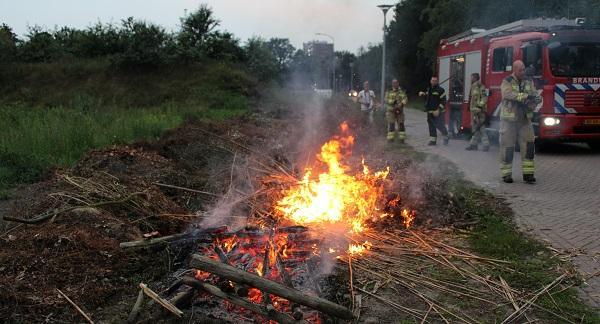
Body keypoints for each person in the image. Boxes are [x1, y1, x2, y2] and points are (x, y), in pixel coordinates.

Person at [499, 60, 541, 184]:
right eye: (520, 70)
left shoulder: (528, 81)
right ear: (514, 69)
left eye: (524, 69)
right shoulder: (507, 81)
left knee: (529, 146)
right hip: (509, 121)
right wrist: (525, 97)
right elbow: (508, 94)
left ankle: (528, 175)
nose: (523, 72)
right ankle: (506, 175)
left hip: (525, 119)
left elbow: (534, 94)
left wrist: (536, 99)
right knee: (508, 147)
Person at [419, 77, 449, 146]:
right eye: (432, 80)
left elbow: (443, 101)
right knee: (431, 126)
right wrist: (423, 94)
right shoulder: (429, 89)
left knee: (440, 125)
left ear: (437, 82)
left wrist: (438, 110)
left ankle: (446, 137)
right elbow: (428, 97)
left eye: (435, 81)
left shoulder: (441, 90)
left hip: (438, 112)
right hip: (430, 111)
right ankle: (433, 141)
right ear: (430, 81)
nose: (434, 82)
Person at [466, 73, 490, 151]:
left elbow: (485, 98)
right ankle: (473, 145)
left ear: (475, 78)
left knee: (481, 128)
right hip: (474, 111)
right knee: (475, 128)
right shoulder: (473, 86)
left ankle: (486, 145)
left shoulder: (480, 86)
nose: (470, 79)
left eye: (471, 77)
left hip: (479, 111)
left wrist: (480, 107)